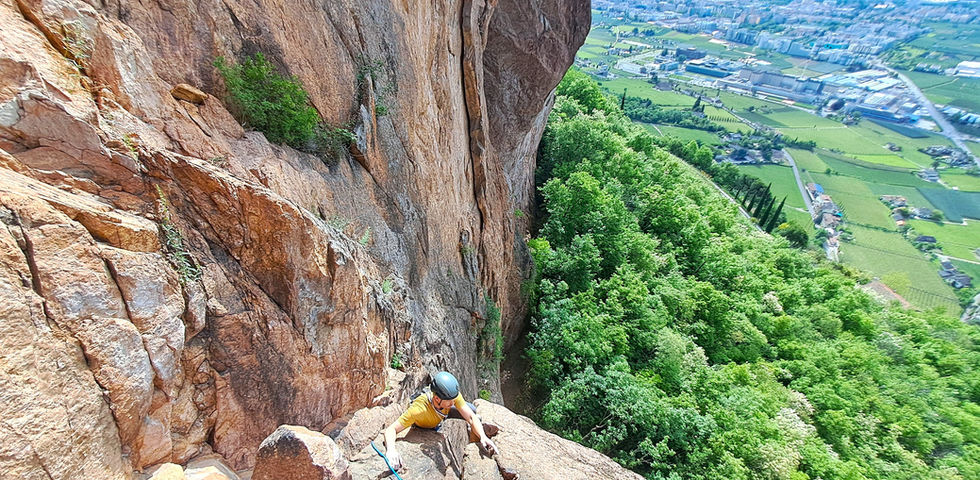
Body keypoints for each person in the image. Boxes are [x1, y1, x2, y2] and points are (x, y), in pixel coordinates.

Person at [382, 371, 499, 471]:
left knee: (473, 413)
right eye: (450, 401)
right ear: (437, 398)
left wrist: (483, 436)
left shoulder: (451, 398)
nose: (454, 403)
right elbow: (391, 429)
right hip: (429, 425)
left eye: (454, 399)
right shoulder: (418, 410)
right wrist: (391, 450)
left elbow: (471, 417)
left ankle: (476, 443)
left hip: (443, 413)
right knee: (465, 414)